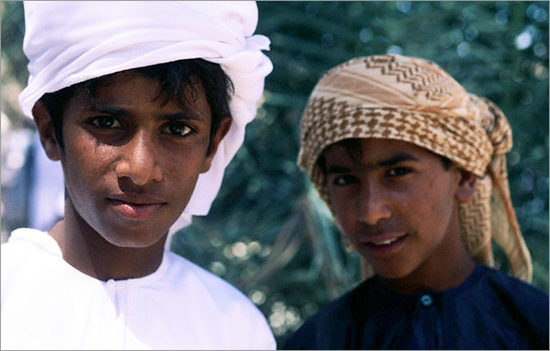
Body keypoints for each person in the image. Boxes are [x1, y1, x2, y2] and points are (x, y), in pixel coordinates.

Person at [1, 1, 275, 349]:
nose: (141, 169)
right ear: (50, 131)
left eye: (178, 129)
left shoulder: (235, 328)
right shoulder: (8, 299)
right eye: (107, 123)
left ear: (213, 143)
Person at [284, 54, 549, 349]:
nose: (371, 213)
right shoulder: (317, 342)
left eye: (398, 173)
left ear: (465, 178)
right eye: (346, 180)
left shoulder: (534, 325)